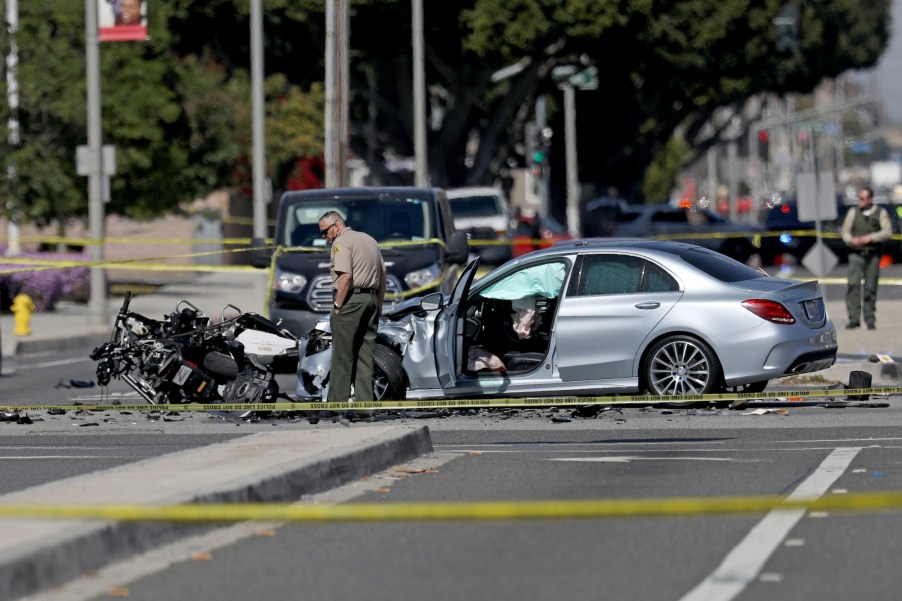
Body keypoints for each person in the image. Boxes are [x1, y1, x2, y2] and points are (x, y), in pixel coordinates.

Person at [319, 211, 387, 406]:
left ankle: (336, 407)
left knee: (342, 357)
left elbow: (346, 277)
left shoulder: (341, 243)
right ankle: (366, 408)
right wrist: (379, 303)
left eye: (325, 232)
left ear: (336, 225)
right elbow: (383, 272)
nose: (325, 237)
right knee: (365, 358)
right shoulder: (369, 240)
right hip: (371, 300)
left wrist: (337, 306)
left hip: (351, 301)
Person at [841, 186, 892, 330]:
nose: (860, 201)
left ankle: (870, 319)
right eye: (859, 198)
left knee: (870, 287)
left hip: (873, 255)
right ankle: (854, 318)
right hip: (855, 254)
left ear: (870, 199)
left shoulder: (880, 213)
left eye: (862, 198)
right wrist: (851, 240)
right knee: (853, 285)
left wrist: (871, 238)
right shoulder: (853, 212)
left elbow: (887, 232)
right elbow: (845, 231)